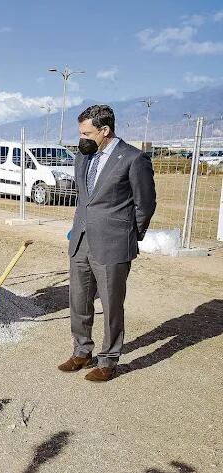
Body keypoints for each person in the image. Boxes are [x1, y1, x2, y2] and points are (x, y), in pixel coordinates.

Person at [59, 104, 156, 382]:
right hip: (81, 241)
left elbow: (145, 204)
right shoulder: (83, 157)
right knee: (78, 300)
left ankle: (109, 360)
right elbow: (84, 199)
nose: (82, 138)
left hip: (113, 244)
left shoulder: (133, 159)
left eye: (87, 133)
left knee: (112, 305)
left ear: (105, 130)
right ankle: (82, 351)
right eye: (80, 132)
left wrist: (128, 235)